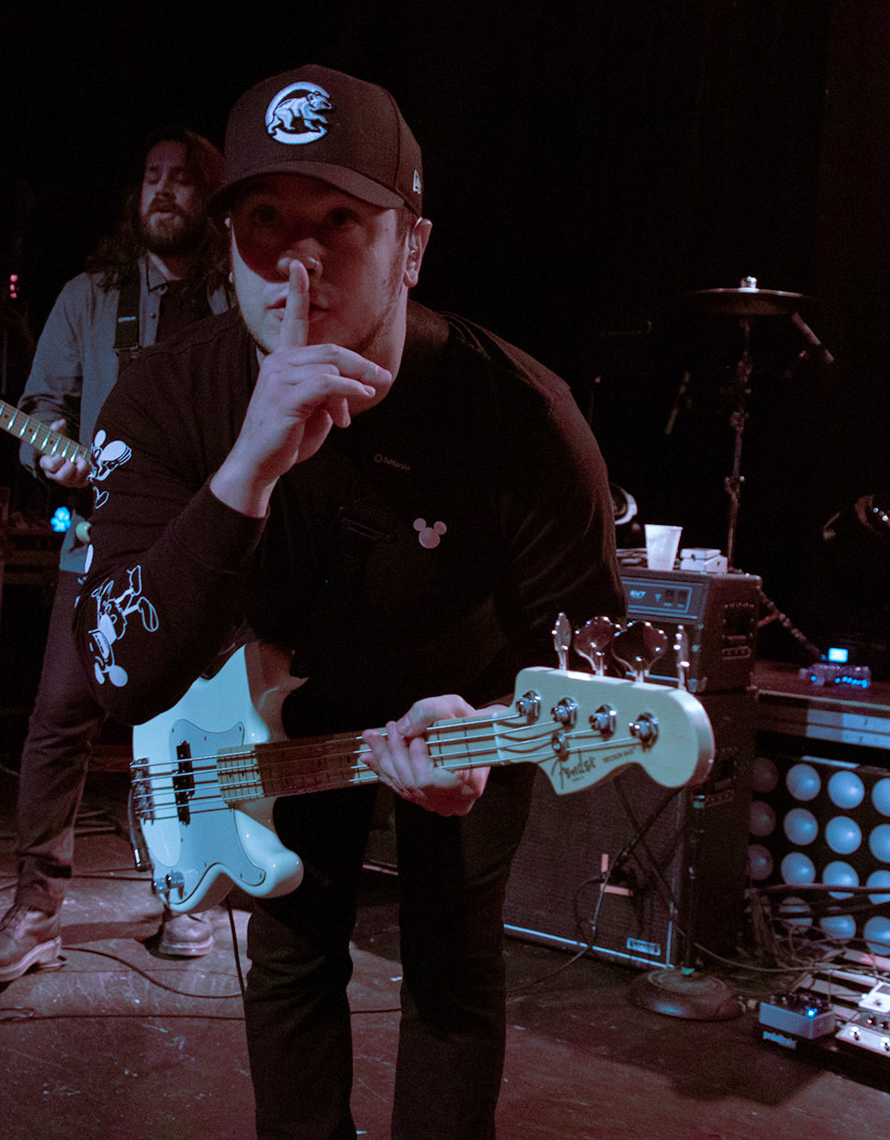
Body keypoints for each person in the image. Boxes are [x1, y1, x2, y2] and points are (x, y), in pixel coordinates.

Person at [75, 66, 620, 1139]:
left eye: (340, 221)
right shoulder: (169, 394)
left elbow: (590, 650)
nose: (300, 263)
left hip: (463, 706)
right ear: (228, 243)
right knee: (290, 955)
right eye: (265, 222)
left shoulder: (524, 415)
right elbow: (120, 674)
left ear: (411, 247)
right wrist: (247, 470)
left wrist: (490, 724)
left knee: (452, 968)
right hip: (277, 704)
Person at [0, 127, 233, 982]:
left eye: (183, 179)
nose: (163, 191)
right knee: (57, 722)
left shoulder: (239, 299)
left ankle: (189, 895)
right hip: (99, 551)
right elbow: (41, 407)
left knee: (195, 731)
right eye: (151, 176)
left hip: (205, 553)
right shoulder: (88, 296)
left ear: (213, 198)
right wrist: (50, 456)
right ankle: (36, 909)